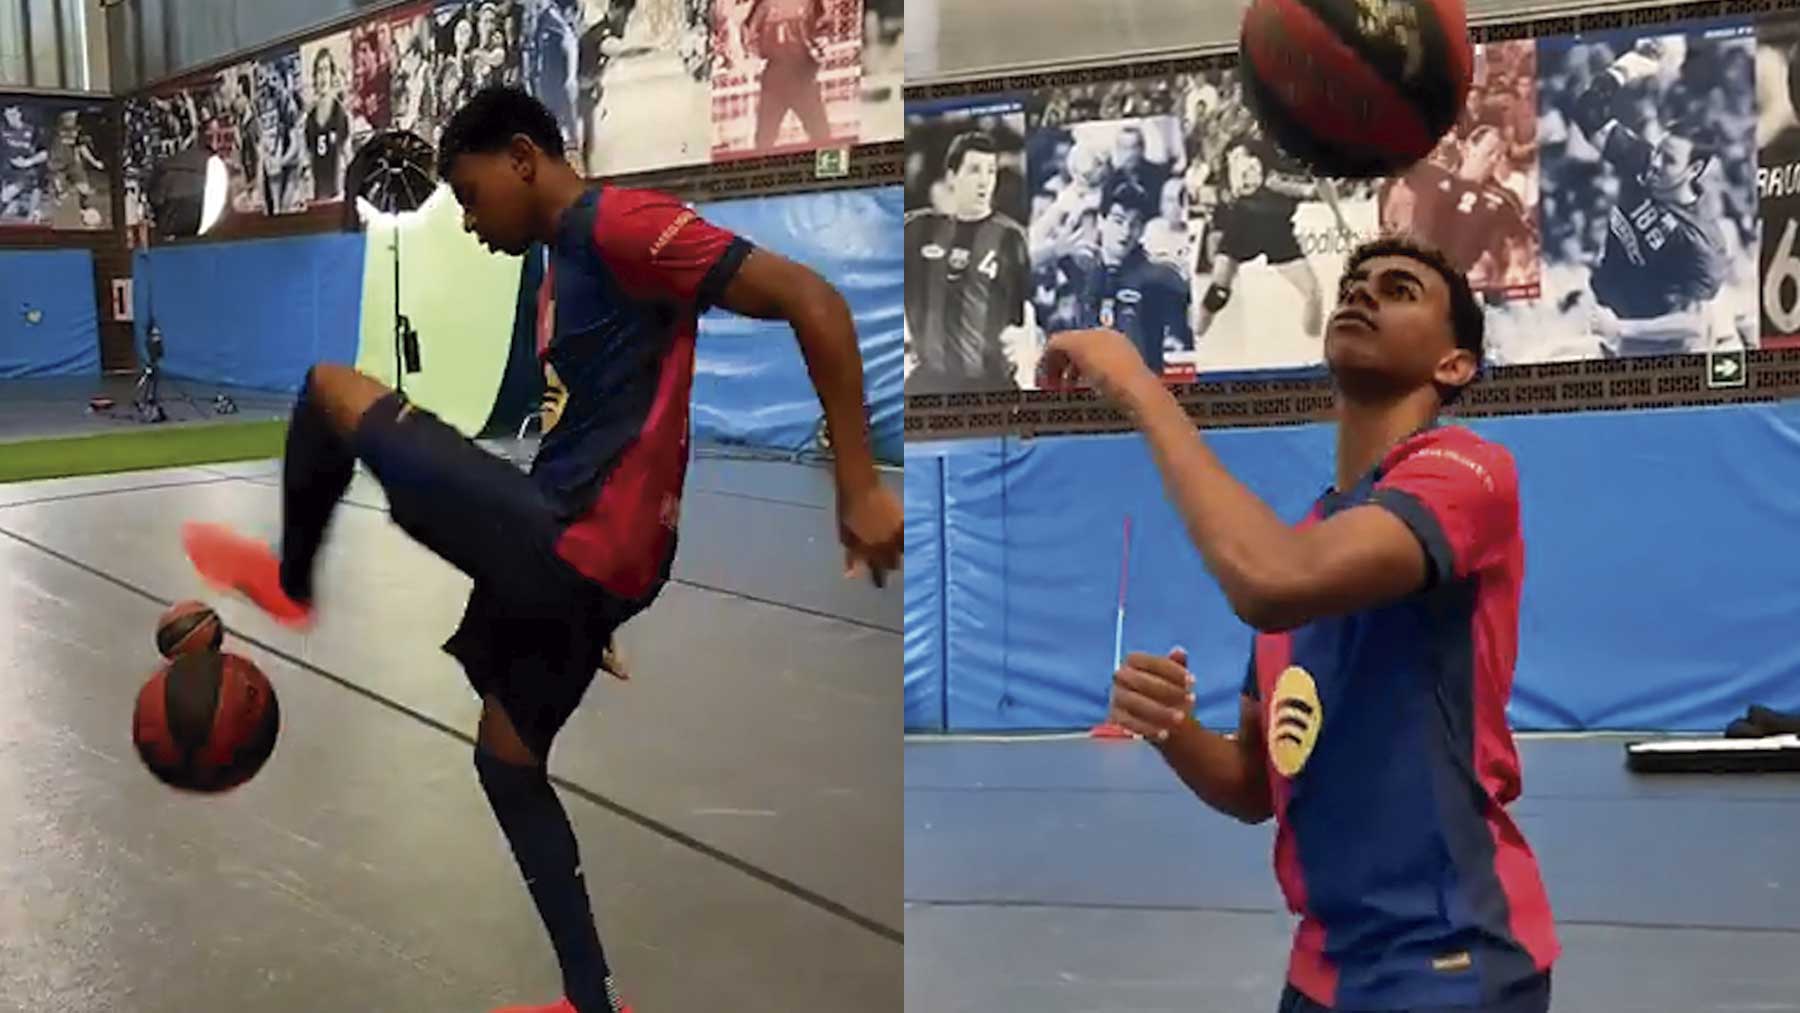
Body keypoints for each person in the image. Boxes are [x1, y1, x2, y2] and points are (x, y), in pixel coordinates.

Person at [182, 86, 903, 1013]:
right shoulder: (565, 258)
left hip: (573, 545)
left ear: (523, 156)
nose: (472, 223)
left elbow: (815, 297)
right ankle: (589, 1003)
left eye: (471, 195)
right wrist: (582, 608)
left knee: (330, 391)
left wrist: (856, 479)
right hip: (585, 562)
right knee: (506, 761)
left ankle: (288, 586)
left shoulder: (621, 223)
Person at [1038, 236, 1558, 1013]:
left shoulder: (1467, 471)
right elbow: (1255, 782)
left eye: (1399, 288)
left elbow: (1269, 582)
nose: (1362, 292)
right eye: (1354, 282)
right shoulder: (1310, 538)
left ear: (1454, 364)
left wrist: (1140, 386)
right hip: (1325, 968)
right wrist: (1174, 726)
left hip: (1452, 955)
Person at [1572, 38, 1730, 356]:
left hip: (1656, 349)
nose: (1656, 163)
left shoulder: (1703, 241)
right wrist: (1629, 65)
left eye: (1669, 160)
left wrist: (1621, 329)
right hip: (1605, 319)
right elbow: (1587, 112)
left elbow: (1691, 323)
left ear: (1694, 170)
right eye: (1659, 152)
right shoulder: (1641, 162)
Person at [1194, 129, 1353, 342]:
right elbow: (1252, 173)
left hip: (1279, 230)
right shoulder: (1257, 146)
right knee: (1219, 291)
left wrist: (1338, 218)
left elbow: (1323, 183)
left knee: (1314, 294)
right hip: (1244, 224)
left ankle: (1316, 353)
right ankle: (1195, 338)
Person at [903, 131, 1031, 393]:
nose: (984, 181)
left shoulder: (1010, 237)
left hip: (990, 387)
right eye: (974, 170)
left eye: (991, 171)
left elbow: (1024, 313)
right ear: (952, 177)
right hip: (930, 383)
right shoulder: (917, 229)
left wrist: (1027, 337)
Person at [1052, 179, 1189, 375]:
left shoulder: (1160, 276)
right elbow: (1033, 253)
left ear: (1142, 229)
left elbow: (1181, 338)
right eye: (1118, 221)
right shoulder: (1081, 268)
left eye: (1134, 224)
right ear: (1101, 221)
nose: (1125, 232)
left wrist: (1174, 340)